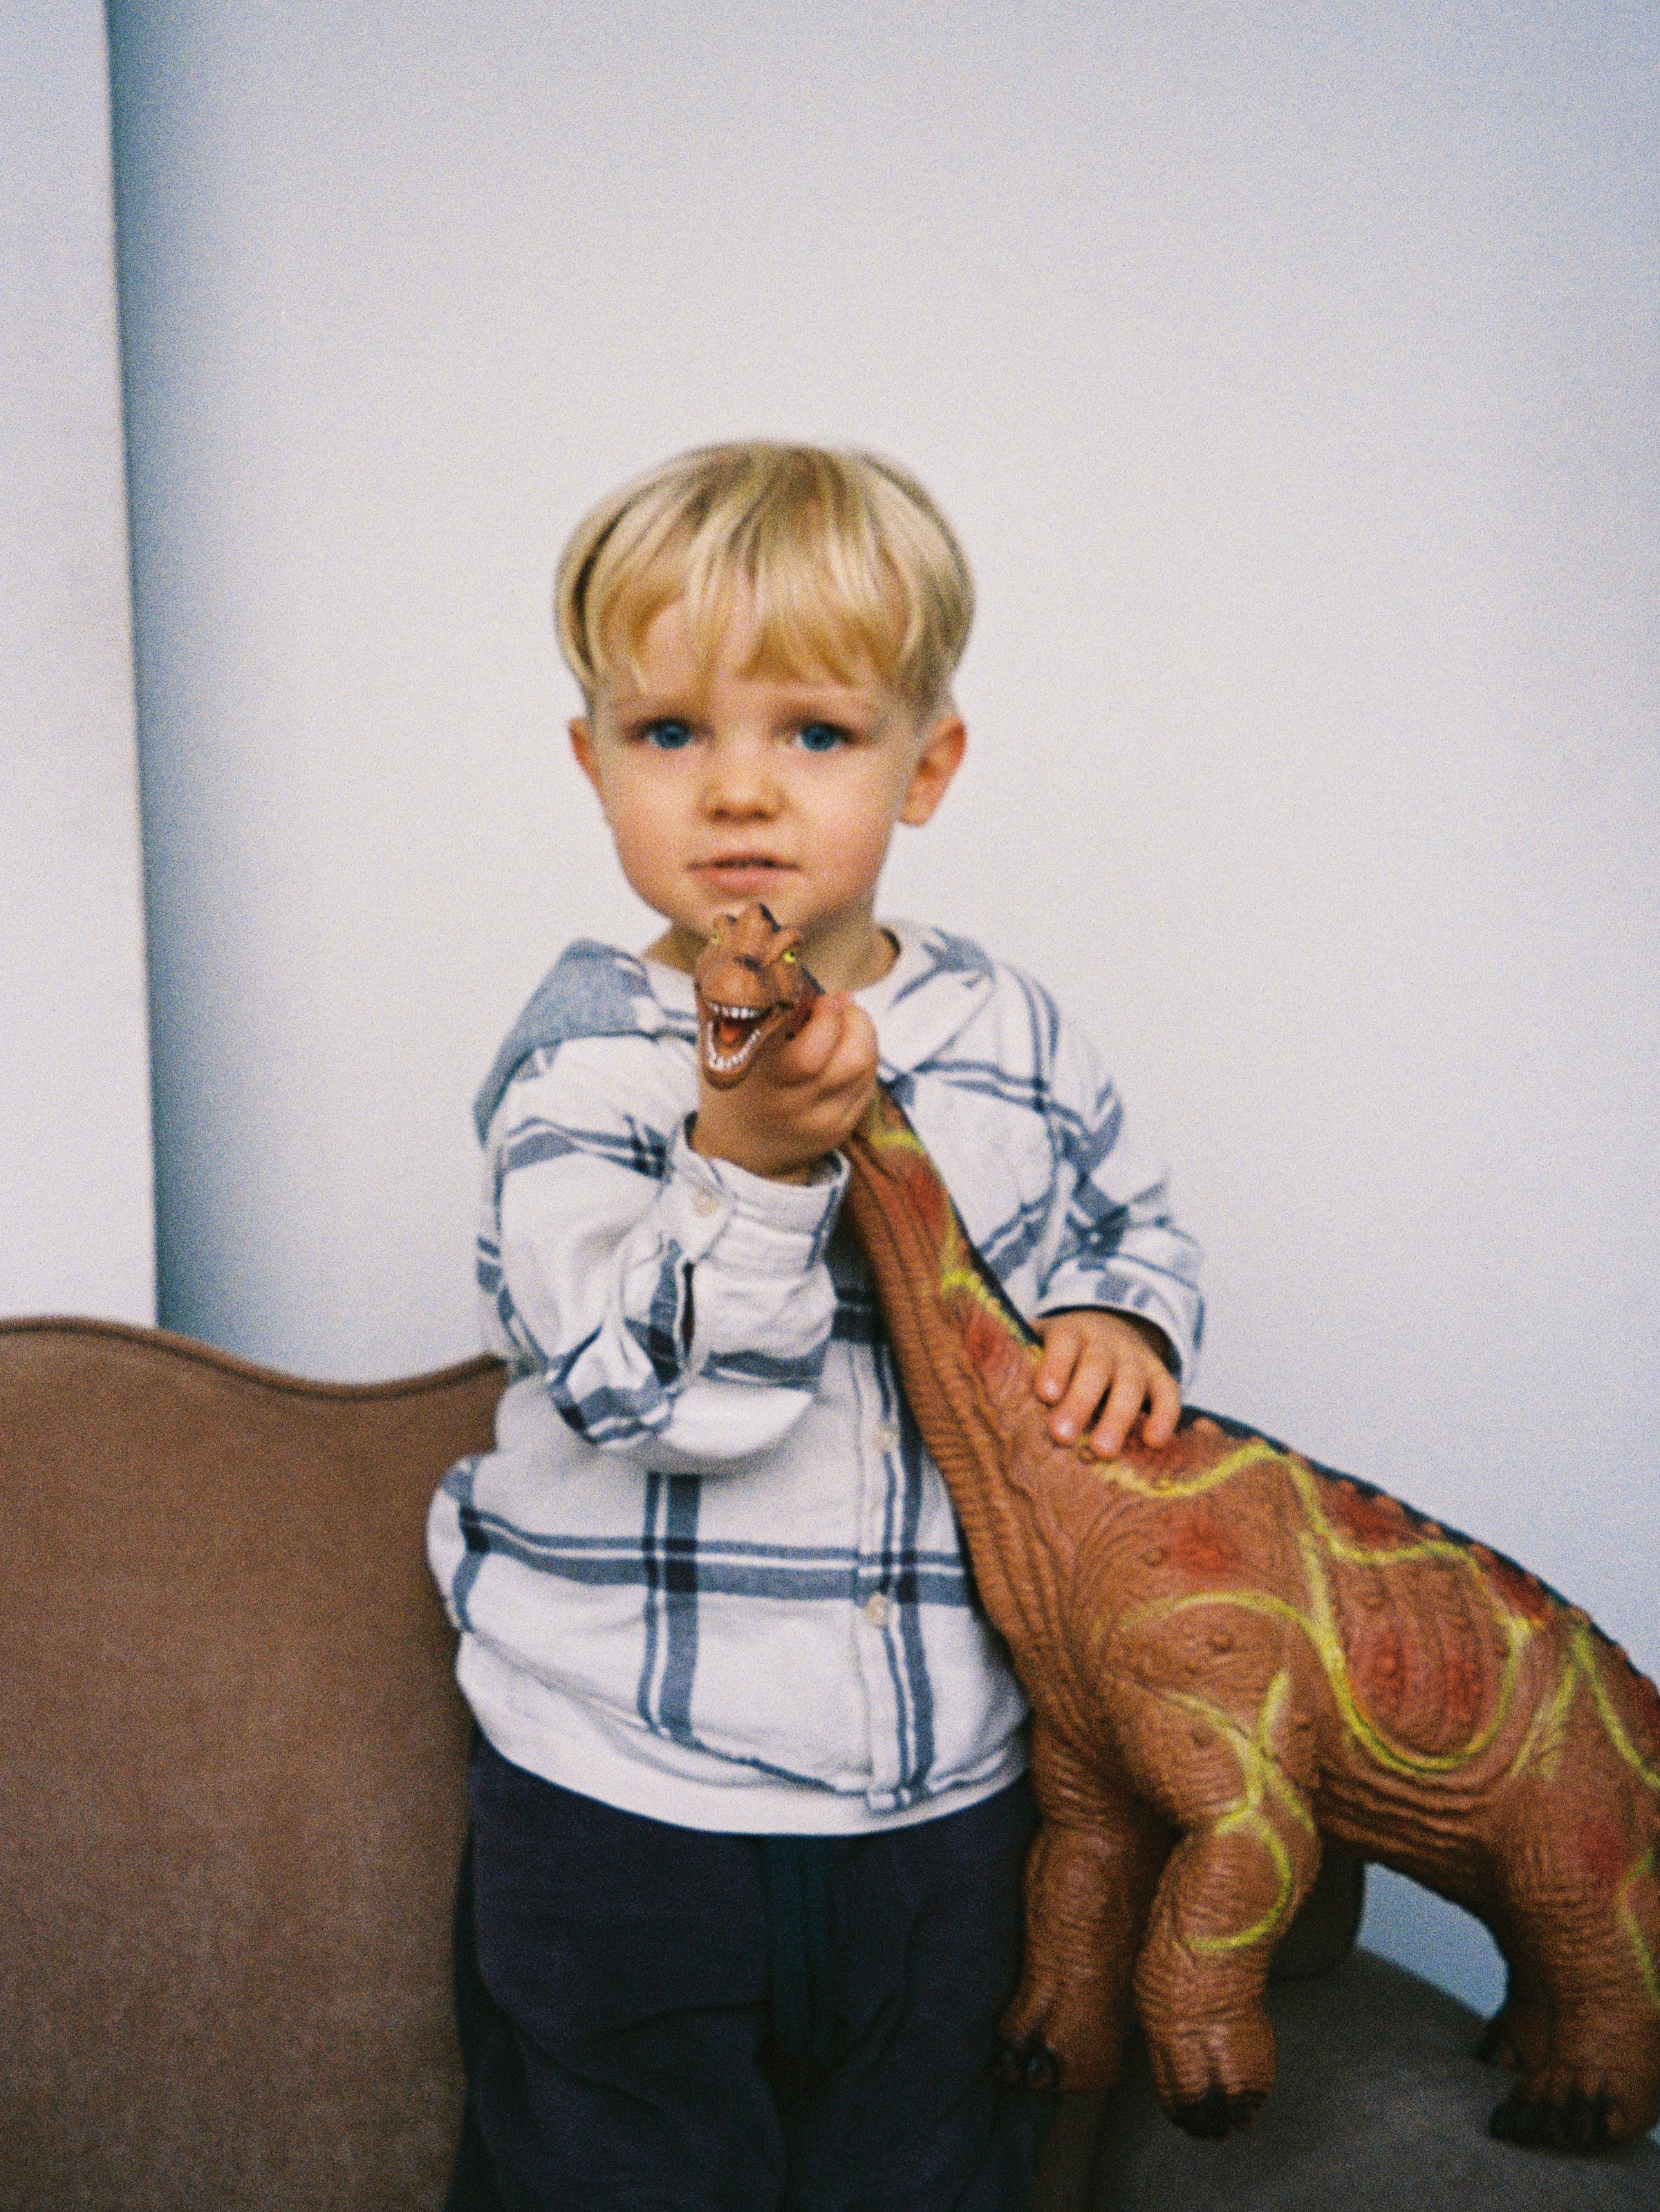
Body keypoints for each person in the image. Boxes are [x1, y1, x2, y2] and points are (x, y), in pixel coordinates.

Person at [427, 443, 1204, 2211]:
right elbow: (640, 1399)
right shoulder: (579, 1064)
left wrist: (1116, 1316)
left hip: (943, 1799)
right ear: (591, 762)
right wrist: (751, 1164)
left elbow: (1129, 1223)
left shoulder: (1010, 1031)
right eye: (668, 731)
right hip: (625, 1799)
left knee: (923, 2173)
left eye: (816, 733)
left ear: (924, 766)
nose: (737, 792)